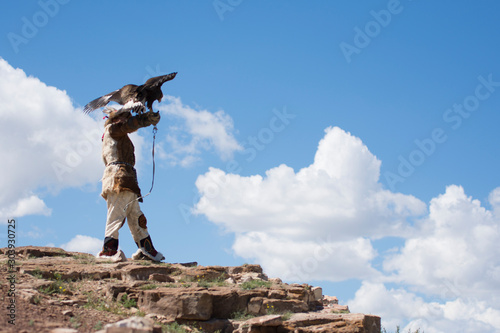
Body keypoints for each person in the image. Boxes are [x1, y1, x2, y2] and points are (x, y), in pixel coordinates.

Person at [97, 108, 164, 262]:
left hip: (127, 179)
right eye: (125, 117)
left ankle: (146, 250)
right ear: (115, 119)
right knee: (116, 215)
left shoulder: (119, 133)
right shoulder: (113, 129)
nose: (127, 119)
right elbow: (130, 125)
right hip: (117, 178)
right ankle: (109, 252)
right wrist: (147, 119)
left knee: (137, 217)